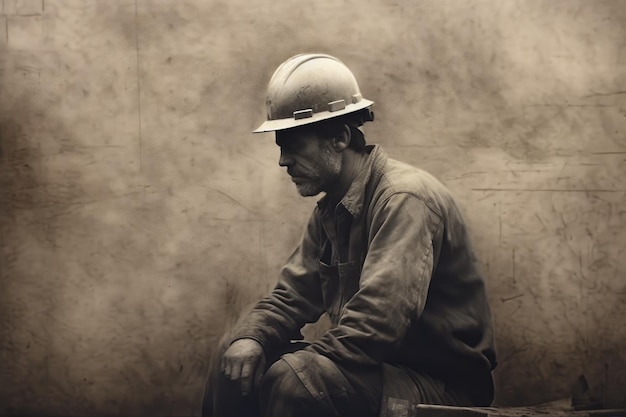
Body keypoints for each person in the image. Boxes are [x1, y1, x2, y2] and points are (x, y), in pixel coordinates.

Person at [202, 53, 497, 417]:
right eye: (280, 146)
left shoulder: (404, 199)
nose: (283, 161)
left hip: (441, 385)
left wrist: (299, 364)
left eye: (293, 144)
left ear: (339, 137)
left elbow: (378, 323)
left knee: (295, 379)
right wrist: (252, 336)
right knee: (234, 359)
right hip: (376, 373)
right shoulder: (333, 209)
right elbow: (290, 297)